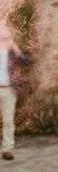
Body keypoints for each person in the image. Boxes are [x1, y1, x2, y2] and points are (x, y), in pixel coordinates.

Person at [0, 27, 27, 160]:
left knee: (8, 121)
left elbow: (25, 61)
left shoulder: (12, 53)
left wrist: (15, 48)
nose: (5, 40)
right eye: (3, 37)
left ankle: (7, 149)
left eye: (8, 37)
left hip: (9, 90)